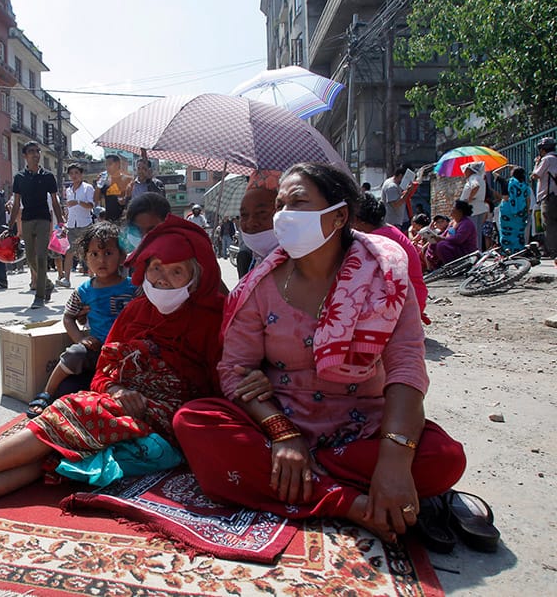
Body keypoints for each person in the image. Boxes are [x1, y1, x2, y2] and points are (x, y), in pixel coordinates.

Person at [0, 216, 273, 533]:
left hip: (167, 424)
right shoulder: (139, 308)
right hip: (120, 407)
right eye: (156, 269)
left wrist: (162, 401)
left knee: (75, 409)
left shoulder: (217, 318)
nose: (163, 279)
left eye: (176, 271)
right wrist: (120, 387)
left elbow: (224, 388)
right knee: (69, 438)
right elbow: (106, 368)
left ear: (196, 276)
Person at [174, 162, 466, 545]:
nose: (282, 216)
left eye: (297, 203)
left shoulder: (386, 273)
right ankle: (349, 503)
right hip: (280, 424)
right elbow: (234, 371)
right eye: (279, 205)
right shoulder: (259, 285)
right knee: (193, 422)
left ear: (339, 215)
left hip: (361, 430)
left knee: (444, 457)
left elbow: (406, 366)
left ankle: (309, 478)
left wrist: (394, 460)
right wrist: (283, 435)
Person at [26, 222, 136, 418]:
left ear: (122, 256)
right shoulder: (84, 291)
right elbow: (68, 317)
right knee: (75, 353)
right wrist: (80, 339)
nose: (101, 259)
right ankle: (46, 393)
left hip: (126, 352)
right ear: (85, 257)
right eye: (94, 254)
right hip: (96, 349)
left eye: (108, 253)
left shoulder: (133, 288)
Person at [354, 194, 429, 323]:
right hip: (414, 302)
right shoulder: (389, 230)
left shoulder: (375, 240)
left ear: (360, 221)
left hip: (404, 307)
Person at [12, 142, 63, 308]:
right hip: (27, 219)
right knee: (30, 257)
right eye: (31, 152)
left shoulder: (48, 176)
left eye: (37, 151)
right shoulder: (19, 177)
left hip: (43, 219)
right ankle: (47, 284)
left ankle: (39, 297)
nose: (35, 154)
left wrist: (61, 222)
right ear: (25, 156)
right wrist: (9, 225)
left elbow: (55, 201)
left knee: (41, 257)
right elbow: (16, 203)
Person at [61, 163, 94, 287]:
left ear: (81, 174)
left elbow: (91, 205)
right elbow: (69, 207)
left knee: (88, 252)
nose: (74, 176)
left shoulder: (87, 188)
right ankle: (66, 279)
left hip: (84, 223)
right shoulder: (68, 190)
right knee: (69, 252)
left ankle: (92, 277)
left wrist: (78, 202)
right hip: (71, 224)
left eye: (76, 173)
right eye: (72, 173)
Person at [237, 186, 280, 275]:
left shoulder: (301, 269)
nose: (250, 223)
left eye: (261, 212)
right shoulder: (255, 260)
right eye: (244, 215)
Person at [425, 200, 479, 270]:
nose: (451, 210)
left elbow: (458, 239)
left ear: (459, 211)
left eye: (453, 209)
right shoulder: (452, 222)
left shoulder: (466, 224)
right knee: (433, 244)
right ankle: (433, 268)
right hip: (453, 246)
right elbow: (445, 234)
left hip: (464, 249)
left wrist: (442, 239)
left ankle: (452, 267)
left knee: (442, 245)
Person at [531, 136, 557, 259]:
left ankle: (553, 252)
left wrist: (536, 163)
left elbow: (535, 175)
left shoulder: (546, 159)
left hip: (549, 197)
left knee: (549, 224)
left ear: (542, 150)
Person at [498, 167, 531, 254]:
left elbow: (494, 173)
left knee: (506, 231)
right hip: (521, 212)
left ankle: (507, 249)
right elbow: (528, 200)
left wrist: (505, 166)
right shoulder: (525, 186)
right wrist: (527, 211)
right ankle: (518, 250)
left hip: (507, 210)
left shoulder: (507, 182)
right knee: (519, 232)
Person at [460, 161, 490, 251]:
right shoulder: (479, 178)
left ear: (470, 170)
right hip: (477, 208)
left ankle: (475, 252)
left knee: (472, 232)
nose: (464, 172)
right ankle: (477, 251)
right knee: (476, 233)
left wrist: (468, 199)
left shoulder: (474, 178)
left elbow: (475, 186)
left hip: (473, 210)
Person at [94, 154, 129, 224]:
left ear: (118, 164)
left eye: (110, 164)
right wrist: (98, 185)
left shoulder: (127, 180)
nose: (107, 167)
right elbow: (96, 200)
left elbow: (128, 200)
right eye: (106, 165)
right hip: (109, 220)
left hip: (124, 220)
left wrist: (123, 200)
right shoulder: (105, 181)